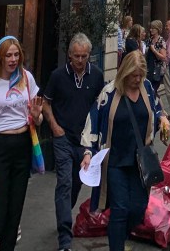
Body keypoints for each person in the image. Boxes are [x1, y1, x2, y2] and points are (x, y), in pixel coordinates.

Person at [81, 51, 170, 251]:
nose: (137, 79)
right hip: (115, 161)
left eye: (140, 75)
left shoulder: (147, 88)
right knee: (120, 209)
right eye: (133, 75)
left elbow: (156, 109)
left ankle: (119, 234)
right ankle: (117, 246)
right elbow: (94, 120)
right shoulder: (109, 92)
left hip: (140, 163)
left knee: (138, 209)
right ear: (124, 73)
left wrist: (162, 118)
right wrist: (88, 151)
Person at [0, 36, 43, 251]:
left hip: (22, 144)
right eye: (8, 55)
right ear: (0, 57)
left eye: (16, 55)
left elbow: (37, 119)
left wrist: (37, 116)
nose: (13, 60)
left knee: (14, 219)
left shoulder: (26, 78)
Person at [42, 33, 104, 251]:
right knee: (64, 183)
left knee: (77, 183)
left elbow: (100, 105)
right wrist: (54, 126)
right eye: (76, 56)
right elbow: (46, 104)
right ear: (69, 55)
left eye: (84, 56)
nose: (80, 60)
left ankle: (63, 216)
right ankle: (64, 240)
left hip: (84, 141)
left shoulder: (96, 75)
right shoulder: (58, 76)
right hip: (63, 137)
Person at [144, 20, 167, 94]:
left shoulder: (161, 41)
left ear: (157, 29)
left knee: (153, 90)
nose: (151, 30)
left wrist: (154, 50)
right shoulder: (149, 40)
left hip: (157, 69)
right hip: (148, 68)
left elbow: (163, 57)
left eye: (153, 28)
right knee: (149, 90)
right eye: (150, 28)